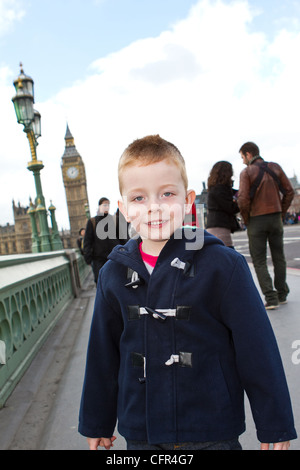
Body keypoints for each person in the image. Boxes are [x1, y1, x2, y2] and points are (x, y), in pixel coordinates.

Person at [78, 135, 296, 451]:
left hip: (212, 427)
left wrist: (275, 425)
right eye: (139, 198)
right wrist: (96, 420)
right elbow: (102, 353)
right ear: (124, 210)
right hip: (142, 431)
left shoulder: (222, 265)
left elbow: (257, 350)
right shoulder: (113, 274)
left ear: (187, 199)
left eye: (167, 193)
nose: (154, 207)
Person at [238, 142, 295, 310]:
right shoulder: (275, 167)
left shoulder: (247, 172)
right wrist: (281, 212)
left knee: (259, 260)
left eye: (242, 157)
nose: (242, 161)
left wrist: (247, 218)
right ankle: (282, 293)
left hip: (257, 219)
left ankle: (271, 298)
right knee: (279, 256)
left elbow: (242, 199)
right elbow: (289, 191)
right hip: (276, 217)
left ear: (248, 154)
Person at [83, 197, 119, 284]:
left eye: (108, 205)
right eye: (104, 205)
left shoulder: (115, 220)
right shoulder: (92, 221)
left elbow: (122, 239)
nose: (107, 207)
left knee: (116, 283)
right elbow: (87, 241)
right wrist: (88, 258)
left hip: (114, 258)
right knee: (101, 283)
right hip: (98, 260)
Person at [206, 161, 240, 248]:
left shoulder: (216, 188)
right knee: (228, 255)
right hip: (219, 227)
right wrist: (239, 202)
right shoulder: (219, 190)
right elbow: (231, 208)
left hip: (216, 226)